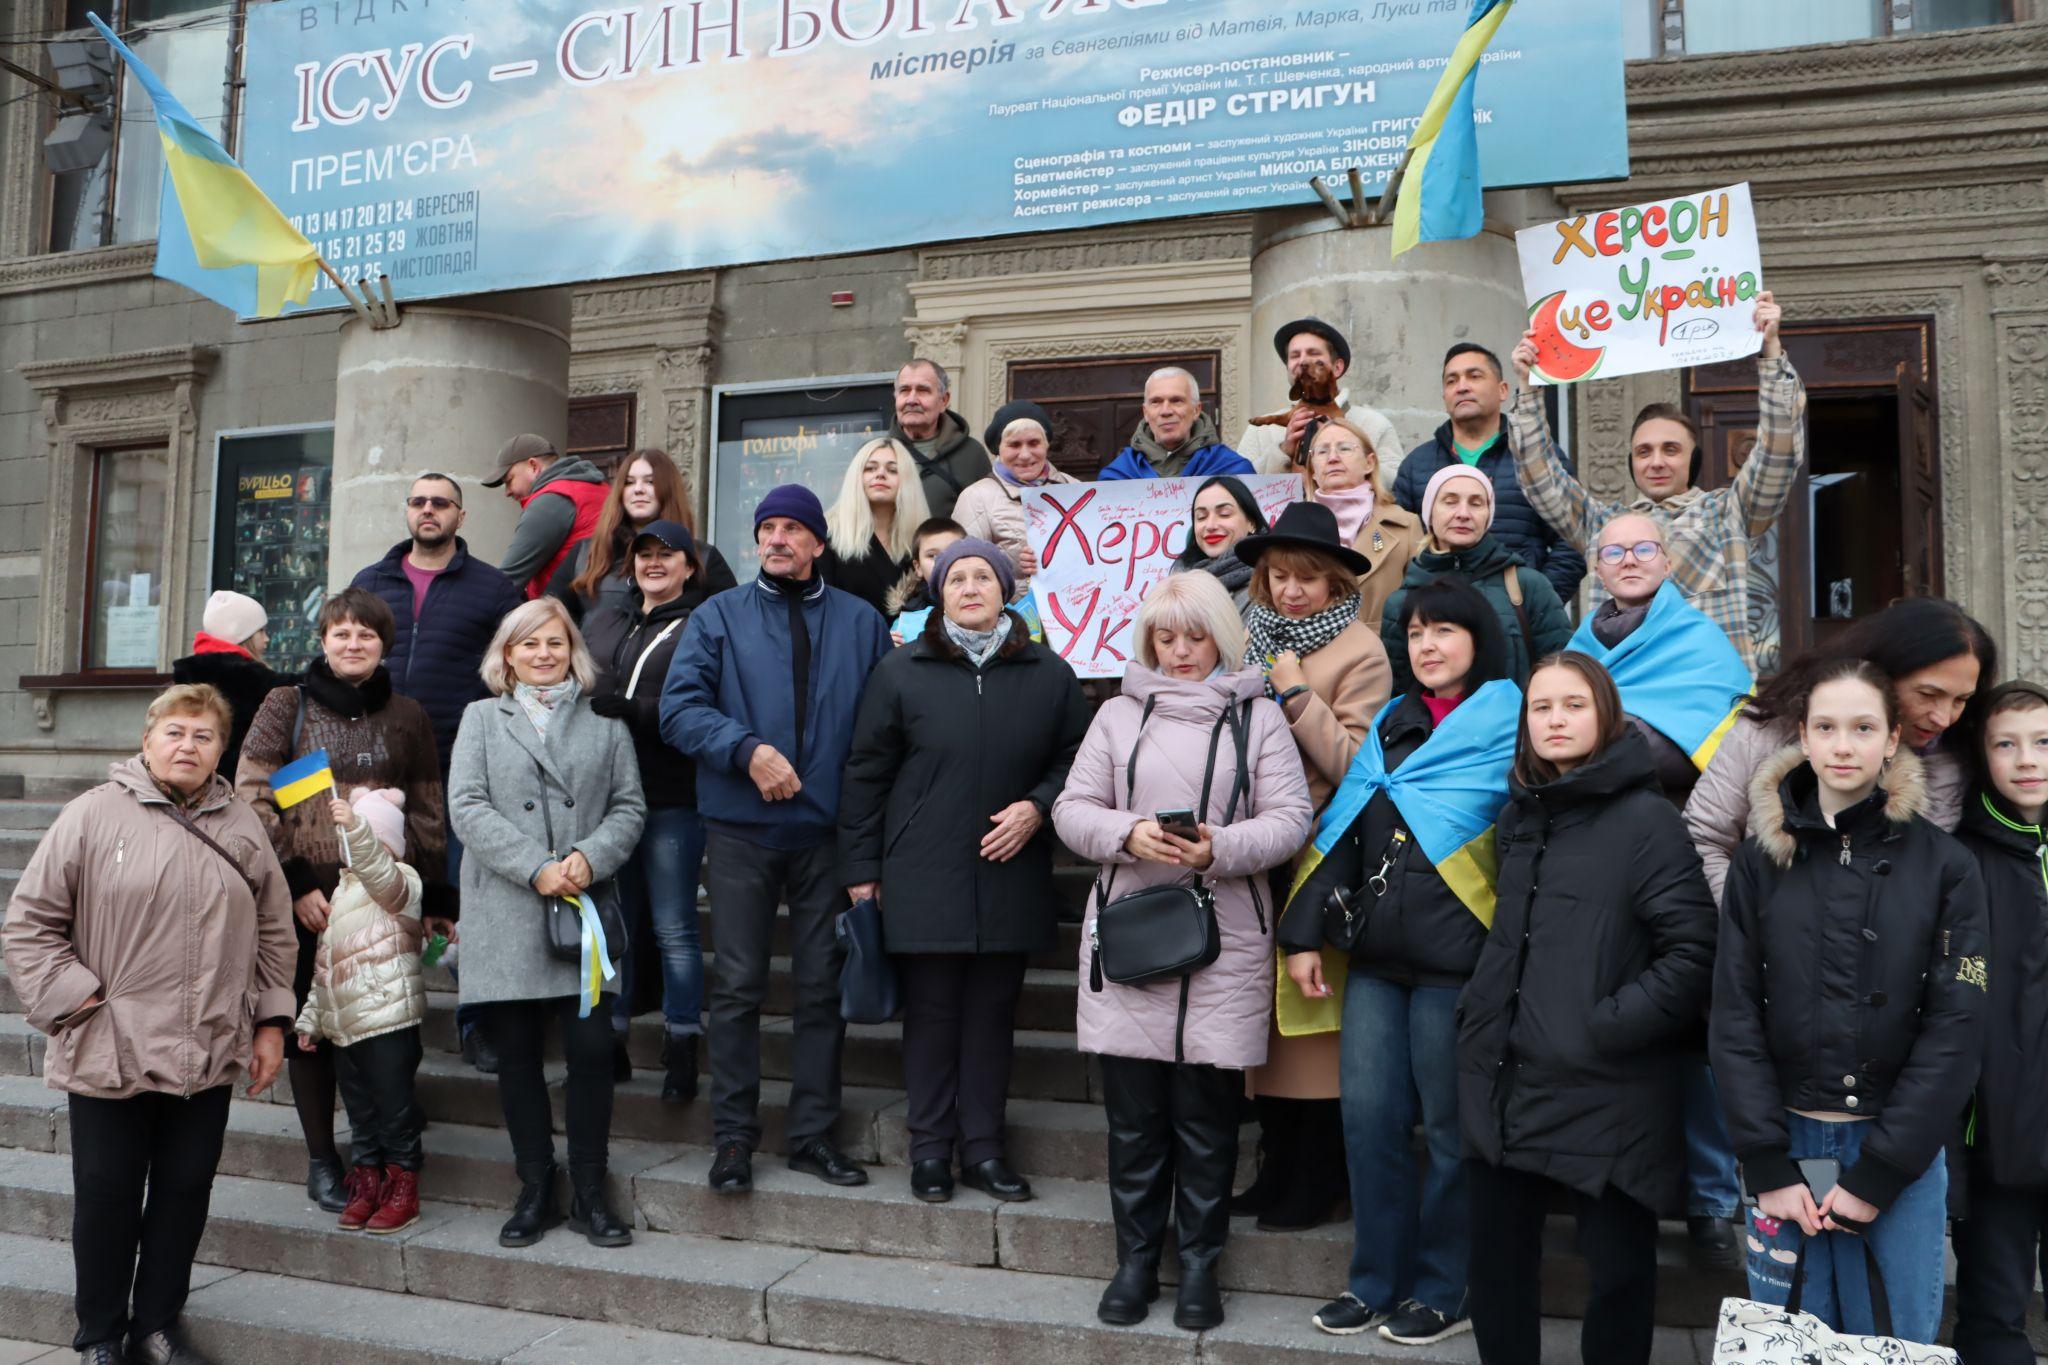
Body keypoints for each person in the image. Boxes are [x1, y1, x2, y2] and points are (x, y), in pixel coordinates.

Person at [1052, 571, 1313, 1331]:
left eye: (1195, 636)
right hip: (1132, 935)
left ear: (1221, 636)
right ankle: (1135, 1262)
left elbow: (1291, 819)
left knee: (1207, 1122)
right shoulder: (1114, 717)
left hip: (1223, 939)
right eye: (1165, 637)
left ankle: (1200, 1265)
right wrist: (1124, 832)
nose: (1180, 651)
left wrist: (1218, 848)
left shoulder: (1258, 718)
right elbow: (1072, 809)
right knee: (1132, 1122)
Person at [4, 683, 294, 1365]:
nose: (187, 746)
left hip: (209, 1043)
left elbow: (277, 933)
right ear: (147, 739)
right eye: (175, 732)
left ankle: (158, 1326)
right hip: (113, 1044)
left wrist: (271, 1023)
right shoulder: (92, 815)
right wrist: (80, 1002)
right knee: (106, 1195)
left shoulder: (242, 825)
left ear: (221, 750)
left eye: (204, 736)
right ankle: (100, 1335)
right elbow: (30, 924)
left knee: (185, 1189)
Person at [1710, 656, 1988, 1345]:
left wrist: (1882, 1171)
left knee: (1892, 1341)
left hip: (1897, 1147)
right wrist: (1765, 1163)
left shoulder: (1946, 865)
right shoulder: (1758, 860)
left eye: (1863, 727)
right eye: (1826, 726)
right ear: (1801, 736)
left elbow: (1957, 1025)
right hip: (1788, 1139)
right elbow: (1734, 1009)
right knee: (1788, 1342)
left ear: (1892, 738)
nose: (1843, 744)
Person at [1280, 577, 1520, 1347]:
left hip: (1460, 962)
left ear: (1478, 642)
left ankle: (1447, 1288)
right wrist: (1302, 934)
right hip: (1378, 961)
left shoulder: (1509, 722)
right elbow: (1346, 828)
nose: (1427, 645)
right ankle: (1374, 1282)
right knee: (1370, 1123)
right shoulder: (1392, 721)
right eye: (1416, 632)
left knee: (1451, 1134)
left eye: (1445, 631)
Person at [1459, 654, 1717, 1365]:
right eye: (1542, 707)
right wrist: (1478, 1017)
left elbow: (1694, 951)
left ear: (1605, 713)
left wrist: (1605, 1025)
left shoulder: (1648, 819)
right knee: (1496, 1271)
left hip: (1610, 1088)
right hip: (1507, 1072)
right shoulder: (1519, 816)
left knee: (1620, 1275)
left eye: (1573, 704)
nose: (1556, 719)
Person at [840, 540, 1091, 1205]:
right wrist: (862, 869)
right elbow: (866, 773)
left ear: (1007, 591)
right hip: (923, 870)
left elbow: (1080, 759)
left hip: (1011, 870)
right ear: (939, 590)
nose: (972, 587)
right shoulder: (901, 669)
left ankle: (983, 1148)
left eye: (985, 576)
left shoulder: (1050, 672)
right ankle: (929, 1150)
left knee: (991, 1015)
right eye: (959, 578)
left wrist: (1039, 808)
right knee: (931, 1015)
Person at [660, 484, 893, 1195]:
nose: (778, 538)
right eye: (767, 528)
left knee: (821, 988)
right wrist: (745, 749)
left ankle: (813, 1134)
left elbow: (886, 730)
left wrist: (869, 841)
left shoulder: (861, 622)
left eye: (793, 527)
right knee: (736, 986)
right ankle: (733, 1138)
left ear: (820, 542)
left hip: (829, 832)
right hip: (739, 829)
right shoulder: (718, 615)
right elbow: (679, 708)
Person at [1567, 513, 1754, 1266]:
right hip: (1595, 856)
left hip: (1679, 854)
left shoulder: (1702, 641)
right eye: (1615, 550)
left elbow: (1716, 745)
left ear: (1668, 559)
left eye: (1645, 548)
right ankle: (1611, 1184)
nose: (1631, 559)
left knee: (1693, 1033)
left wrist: (1621, 737)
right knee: (1606, 1024)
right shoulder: (1578, 647)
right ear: (1596, 565)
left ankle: (1712, 1201)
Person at [236, 587, 447, 1218]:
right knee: (312, 1030)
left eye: (366, 635)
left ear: (385, 644)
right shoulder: (285, 705)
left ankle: (383, 1157)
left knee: (382, 1026)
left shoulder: (408, 713)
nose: (353, 644)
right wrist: (296, 880)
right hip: (307, 901)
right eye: (341, 634)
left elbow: (430, 806)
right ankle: (324, 1158)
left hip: (382, 903)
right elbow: (253, 795)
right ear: (323, 641)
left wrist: (434, 894)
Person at [447, 596, 647, 1249]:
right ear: (507, 654)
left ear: (572, 650)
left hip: (582, 904)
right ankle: (535, 1184)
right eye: (528, 643)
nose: (542, 653)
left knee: (592, 1051)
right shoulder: (480, 718)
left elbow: (629, 806)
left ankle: (590, 1188)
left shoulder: (605, 722)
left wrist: (590, 857)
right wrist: (535, 865)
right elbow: (467, 807)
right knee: (518, 1058)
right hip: (507, 904)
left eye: (554, 643)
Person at [1230, 503, 1393, 1232]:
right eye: (1277, 577)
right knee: (1263, 1029)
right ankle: (1276, 1165)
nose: (1290, 592)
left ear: (1333, 581)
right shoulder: (1248, 637)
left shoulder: (1362, 650)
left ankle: (1319, 1177)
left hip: (1320, 853)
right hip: (1250, 850)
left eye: (1305, 578)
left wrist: (1296, 692)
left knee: (1313, 1029)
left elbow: (1361, 765)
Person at [1506, 292, 1802, 674]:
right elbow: (1539, 477)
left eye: (1671, 449)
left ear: (1693, 460)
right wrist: (1528, 387)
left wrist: (1771, 351)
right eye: (1644, 452)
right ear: (1631, 463)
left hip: (1707, 702)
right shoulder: (1603, 526)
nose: (1657, 461)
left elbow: (1778, 451)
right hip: (1624, 705)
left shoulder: (1729, 514)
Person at [349, 471, 525, 1075]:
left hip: (459, 766)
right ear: (408, 511)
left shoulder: (494, 589)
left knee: (464, 899)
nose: (429, 511)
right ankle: (394, 1026)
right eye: (419, 502)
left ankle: (475, 1021)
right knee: (382, 901)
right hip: (378, 766)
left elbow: (517, 667)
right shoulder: (372, 581)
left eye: (441, 503)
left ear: (460, 515)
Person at [1686, 596, 1996, 901]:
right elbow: (1703, 838)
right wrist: (1753, 922)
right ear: (1882, 674)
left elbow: (1922, 881)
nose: (1943, 717)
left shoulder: (1950, 764)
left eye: (1961, 700)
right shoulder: (1763, 734)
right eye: (1928, 694)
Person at [583, 519, 706, 1103]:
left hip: (670, 794)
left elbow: (704, 705)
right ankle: (611, 1042)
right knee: (613, 925)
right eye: (644, 555)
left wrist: (630, 709)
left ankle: (683, 1043)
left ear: (689, 565)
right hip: (606, 797)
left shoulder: (703, 622)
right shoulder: (608, 618)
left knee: (676, 928)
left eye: (667, 555)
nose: (654, 563)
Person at [1952, 681, 2048, 1364]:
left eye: (2043, 741)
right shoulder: (1960, 859)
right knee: (1993, 1317)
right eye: (2005, 743)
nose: (2027, 759)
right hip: (1997, 1132)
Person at [292, 788, 427, 1236]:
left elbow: (381, 874)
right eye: (348, 838)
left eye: (365, 836)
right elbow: (326, 965)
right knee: (362, 1114)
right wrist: (312, 1019)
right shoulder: (342, 891)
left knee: (394, 1110)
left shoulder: (403, 882)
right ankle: (367, 1181)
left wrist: (357, 825)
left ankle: (403, 1186)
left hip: (388, 1020)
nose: (352, 846)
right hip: (346, 1028)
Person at [1393, 343, 1582, 601]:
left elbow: (1574, 541)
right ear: (1444, 396)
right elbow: (1397, 548)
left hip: (1518, 617)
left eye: (1474, 376)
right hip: (1438, 618)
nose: (1462, 387)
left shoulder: (1538, 457)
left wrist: (1536, 604)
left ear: (1503, 390)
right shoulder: (1416, 466)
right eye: (1452, 380)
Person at [1379, 466, 1571, 693]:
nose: (1463, 513)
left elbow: (1562, 673)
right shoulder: (1402, 601)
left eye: (1476, 503)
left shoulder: (1526, 586)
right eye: (1450, 501)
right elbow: (1398, 692)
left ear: (1489, 514)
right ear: (1430, 512)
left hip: (1513, 726)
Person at [548, 448, 738, 620]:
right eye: (629, 483)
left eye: (650, 481)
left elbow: (732, 625)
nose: (638, 489)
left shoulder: (704, 558)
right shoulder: (585, 554)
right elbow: (550, 617)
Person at [1240, 318, 1402, 479]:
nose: (1303, 361)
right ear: (1288, 368)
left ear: (1337, 368)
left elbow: (1396, 485)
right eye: (1295, 356)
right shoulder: (1260, 431)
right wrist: (1283, 451)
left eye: (1314, 354)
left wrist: (1349, 454)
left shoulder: (1375, 425)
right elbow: (1236, 487)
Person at [1303, 417, 1424, 630]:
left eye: (1344, 448)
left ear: (1369, 463)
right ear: (1312, 471)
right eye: (1322, 452)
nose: (1332, 458)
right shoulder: (1291, 529)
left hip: (1382, 654)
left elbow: (1423, 604)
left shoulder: (1406, 525)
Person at [950, 406, 1079, 598]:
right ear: (998, 449)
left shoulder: (1074, 487)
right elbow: (962, 569)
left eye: (1034, 443)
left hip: (1075, 608)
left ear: (1046, 445)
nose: (1025, 455)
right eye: (1014, 445)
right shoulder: (975, 497)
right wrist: (1010, 565)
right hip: (1011, 620)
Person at [171, 589, 290, 779]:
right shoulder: (251, 679)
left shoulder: (190, 673)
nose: (267, 638)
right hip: (242, 783)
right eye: (261, 631)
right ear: (242, 634)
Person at [484, 433, 611, 599]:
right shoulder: (600, 487)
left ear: (533, 466)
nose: (507, 492)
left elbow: (508, 581)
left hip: (569, 612)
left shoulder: (551, 500)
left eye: (509, 480)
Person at [820, 436, 932, 617]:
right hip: (850, 642)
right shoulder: (827, 534)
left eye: (893, 470)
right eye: (870, 468)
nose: (880, 474)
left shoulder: (922, 540)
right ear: (857, 476)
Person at [1100, 368, 1253, 481]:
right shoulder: (1117, 475)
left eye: (1176, 401)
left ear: (1196, 410)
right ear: (1146, 413)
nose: (1166, 411)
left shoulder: (1231, 468)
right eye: (1156, 402)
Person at [889, 358, 991, 519]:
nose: (912, 399)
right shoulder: (876, 453)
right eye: (904, 390)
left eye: (923, 390)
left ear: (944, 400)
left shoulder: (972, 455)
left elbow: (988, 518)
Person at [1168, 475, 1268, 614]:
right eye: (1201, 517)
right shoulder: (1177, 581)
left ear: (1251, 523)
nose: (1210, 525)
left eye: (1224, 514)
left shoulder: (1271, 585)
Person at [884, 517, 965, 638]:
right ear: (918, 568)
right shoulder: (904, 623)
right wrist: (893, 650)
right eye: (932, 555)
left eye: (952, 551)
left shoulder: (992, 606)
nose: (942, 560)